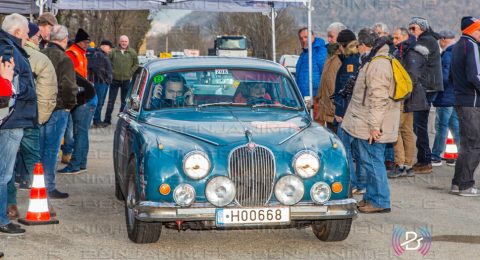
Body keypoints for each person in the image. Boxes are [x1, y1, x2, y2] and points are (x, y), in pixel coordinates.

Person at [341, 32, 400, 213]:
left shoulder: (378, 65)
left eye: (358, 45)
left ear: (364, 45)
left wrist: (375, 127)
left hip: (371, 124)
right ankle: (370, 198)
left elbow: (378, 98)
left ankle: (380, 201)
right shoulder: (374, 61)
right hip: (365, 121)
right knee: (368, 162)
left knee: (373, 162)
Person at [6, 22, 58, 220]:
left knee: (7, 163)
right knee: (33, 162)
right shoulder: (39, 58)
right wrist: (40, 118)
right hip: (29, 119)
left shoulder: (6, 52)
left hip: (6, 118)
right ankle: (43, 201)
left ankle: (10, 205)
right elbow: (47, 91)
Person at [0, 13, 37, 235]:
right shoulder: (8, 49)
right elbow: (10, 87)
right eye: (25, 34)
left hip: (10, 118)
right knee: (4, 175)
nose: (28, 39)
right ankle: (2, 220)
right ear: (15, 32)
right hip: (11, 120)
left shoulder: (8, 47)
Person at [41, 25, 77, 198]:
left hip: (40, 107)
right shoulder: (64, 59)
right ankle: (48, 187)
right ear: (65, 39)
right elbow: (69, 86)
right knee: (52, 149)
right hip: (59, 108)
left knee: (40, 148)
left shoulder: (41, 53)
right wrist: (70, 104)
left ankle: (37, 184)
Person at [388, 28, 430, 178]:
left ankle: (401, 164)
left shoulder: (410, 53)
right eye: (393, 38)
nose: (394, 40)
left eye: (397, 37)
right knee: (406, 130)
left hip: (404, 96)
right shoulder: (405, 50)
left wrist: (401, 94)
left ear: (405, 37)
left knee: (397, 129)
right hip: (409, 97)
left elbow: (410, 76)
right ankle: (408, 164)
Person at [59, 29, 98, 175]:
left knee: (79, 133)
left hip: (83, 98)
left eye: (88, 42)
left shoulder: (75, 53)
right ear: (78, 42)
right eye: (85, 42)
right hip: (85, 96)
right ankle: (81, 163)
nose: (87, 45)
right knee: (82, 133)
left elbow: (71, 79)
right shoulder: (73, 53)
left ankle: (75, 164)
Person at [408, 17, 444, 174]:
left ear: (421, 28)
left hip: (427, 87)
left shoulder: (426, 40)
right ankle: (424, 159)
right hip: (429, 86)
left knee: (420, 125)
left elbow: (414, 57)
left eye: (413, 28)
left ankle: (425, 161)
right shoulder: (429, 39)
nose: (412, 32)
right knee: (419, 124)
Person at [449, 16, 480, 196]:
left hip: (461, 100)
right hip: (472, 102)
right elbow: (475, 76)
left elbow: (453, 76)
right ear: (472, 30)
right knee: (475, 144)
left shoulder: (457, 46)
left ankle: (457, 182)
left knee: (466, 143)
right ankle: (466, 185)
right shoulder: (472, 46)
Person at [331, 29, 364, 194]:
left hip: (348, 113)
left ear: (343, 46)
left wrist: (340, 111)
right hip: (356, 111)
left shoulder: (349, 63)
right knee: (358, 149)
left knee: (345, 149)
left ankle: (353, 182)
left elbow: (346, 90)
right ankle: (362, 183)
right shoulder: (358, 59)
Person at [431, 30, 460, 167]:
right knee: (455, 126)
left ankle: (436, 156)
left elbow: (444, 77)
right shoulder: (459, 51)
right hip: (454, 96)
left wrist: (434, 84)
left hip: (445, 96)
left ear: (443, 39)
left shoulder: (448, 54)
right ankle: (462, 154)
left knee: (441, 126)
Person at [104, 35, 138, 125]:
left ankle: (122, 120)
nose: (124, 43)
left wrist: (130, 73)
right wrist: (111, 72)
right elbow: (107, 62)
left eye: (125, 41)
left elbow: (136, 64)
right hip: (114, 80)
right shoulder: (113, 52)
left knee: (124, 101)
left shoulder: (132, 52)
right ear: (119, 42)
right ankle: (107, 120)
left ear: (128, 42)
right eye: (122, 41)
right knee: (111, 100)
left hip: (126, 80)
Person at [295, 27, 327, 99]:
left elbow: (325, 74)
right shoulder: (303, 54)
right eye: (301, 38)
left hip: (315, 96)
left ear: (312, 36)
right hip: (303, 96)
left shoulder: (320, 52)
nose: (303, 40)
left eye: (306, 37)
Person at [89, 40, 113, 128]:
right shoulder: (98, 54)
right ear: (103, 46)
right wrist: (105, 79)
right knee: (99, 102)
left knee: (101, 102)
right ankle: (96, 121)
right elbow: (97, 69)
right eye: (109, 47)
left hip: (104, 82)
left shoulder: (103, 54)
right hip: (100, 82)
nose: (110, 49)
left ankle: (97, 119)